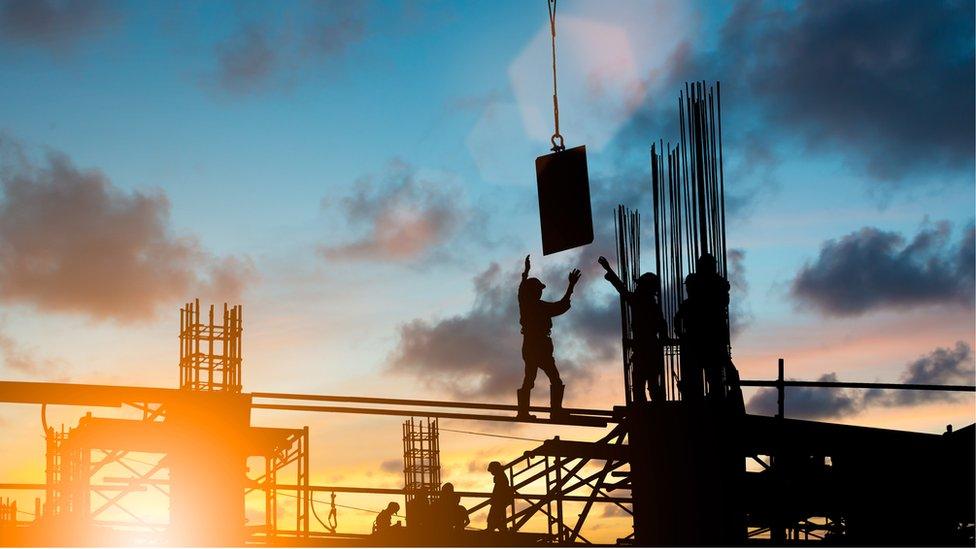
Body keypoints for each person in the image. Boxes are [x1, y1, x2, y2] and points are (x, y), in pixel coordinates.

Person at [517, 254, 581, 419]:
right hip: (537, 346)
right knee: (551, 378)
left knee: (531, 378)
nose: (539, 292)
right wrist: (526, 272)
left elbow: (560, 306)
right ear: (532, 291)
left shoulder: (534, 306)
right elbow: (560, 305)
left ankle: (525, 412)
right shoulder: (529, 305)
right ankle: (554, 411)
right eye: (538, 289)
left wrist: (571, 286)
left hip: (534, 346)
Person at [598, 256, 669, 403]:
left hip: (644, 352)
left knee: (640, 386)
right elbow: (662, 329)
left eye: (639, 286)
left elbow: (623, 290)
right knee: (653, 385)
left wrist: (609, 271)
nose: (636, 288)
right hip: (652, 351)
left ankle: (644, 413)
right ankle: (655, 409)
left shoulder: (640, 303)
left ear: (645, 289)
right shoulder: (653, 307)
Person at [486, 461, 512, 533]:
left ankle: (491, 533)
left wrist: (494, 499)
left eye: (492, 470)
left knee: (492, 519)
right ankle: (501, 531)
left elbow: (498, 491)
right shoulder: (501, 476)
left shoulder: (500, 477)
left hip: (499, 502)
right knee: (498, 519)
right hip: (500, 502)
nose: (491, 472)